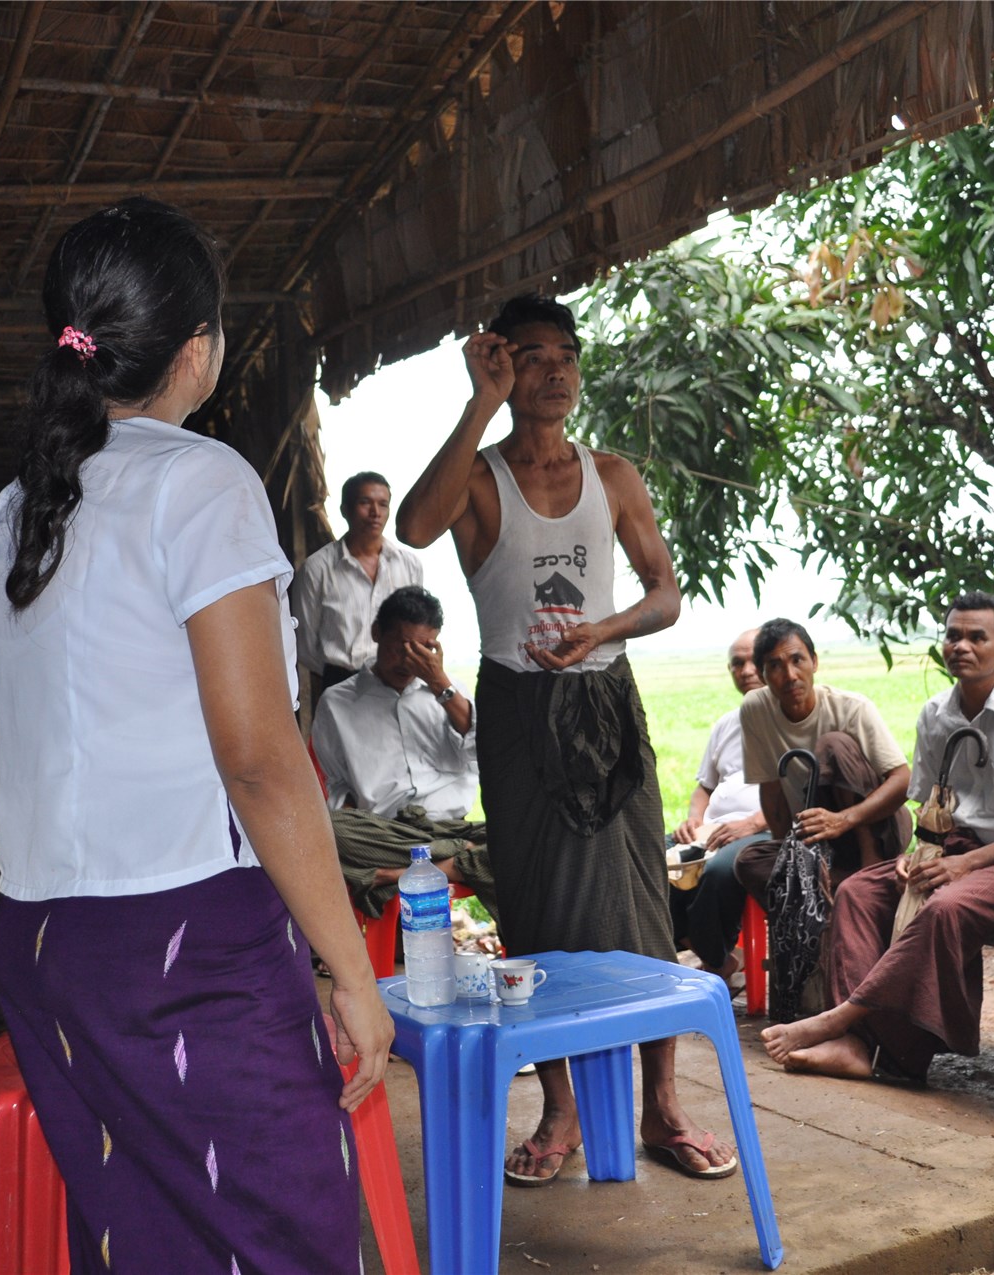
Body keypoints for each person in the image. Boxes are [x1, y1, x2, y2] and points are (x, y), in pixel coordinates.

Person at [0, 197, 391, 1273]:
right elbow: (257, 759)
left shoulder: (16, 507)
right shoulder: (200, 481)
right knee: (283, 1233)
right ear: (197, 349)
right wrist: (351, 968)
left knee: (147, 1241)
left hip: (44, 944)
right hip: (180, 942)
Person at [396, 292, 737, 1185]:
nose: (554, 371)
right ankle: (562, 1110)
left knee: (642, 902)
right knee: (538, 906)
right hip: (517, 710)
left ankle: (661, 1103)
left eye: (566, 356)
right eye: (532, 356)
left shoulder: (613, 473)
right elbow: (413, 528)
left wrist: (605, 628)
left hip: (608, 699)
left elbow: (666, 593)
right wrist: (477, 402)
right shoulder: (479, 479)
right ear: (504, 367)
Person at [761, 592, 994, 1082]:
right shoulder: (936, 715)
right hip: (954, 848)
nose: (961, 646)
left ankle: (854, 1027)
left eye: (976, 637)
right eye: (952, 635)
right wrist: (913, 854)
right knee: (860, 891)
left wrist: (967, 865)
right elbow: (928, 806)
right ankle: (862, 1046)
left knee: (946, 907)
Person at [311, 585, 496, 918]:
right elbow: (337, 784)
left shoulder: (450, 693)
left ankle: (407, 873)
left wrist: (440, 685)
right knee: (328, 829)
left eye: (422, 648)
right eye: (400, 647)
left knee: (529, 840)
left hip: (450, 827)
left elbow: (485, 752)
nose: (408, 660)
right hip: (388, 832)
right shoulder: (338, 702)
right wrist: (350, 827)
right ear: (377, 633)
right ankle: (457, 859)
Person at [731, 619, 913, 914]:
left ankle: (870, 869)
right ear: (763, 675)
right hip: (819, 840)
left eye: (797, 660)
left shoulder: (851, 708)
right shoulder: (756, 708)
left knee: (833, 745)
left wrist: (842, 820)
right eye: (775, 666)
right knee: (748, 862)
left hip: (879, 830)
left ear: (814, 662)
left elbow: (904, 780)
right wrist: (789, 854)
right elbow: (772, 788)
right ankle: (841, 890)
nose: (790, 675)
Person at [665, 630, 770, 983]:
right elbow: (704, 787)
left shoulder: (791, 719)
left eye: (754, 660)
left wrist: (752, 824)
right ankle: (712, 954)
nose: (746, 670)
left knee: (721, 869)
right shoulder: (727, 722)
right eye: (737, 664)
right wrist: (693, 820)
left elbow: (801, 796)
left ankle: (714, 961)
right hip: (712, 829)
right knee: (649, 860)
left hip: (763, 829)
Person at [292, 472, 424, 700]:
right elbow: (304, 645)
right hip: (340, 683)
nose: (376, 513)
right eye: (365, 503)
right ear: (345, 510)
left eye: (383, 504)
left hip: (397, 685)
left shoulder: (409, 565)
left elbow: (417, 626)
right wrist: (336, 675)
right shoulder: (318, 568)